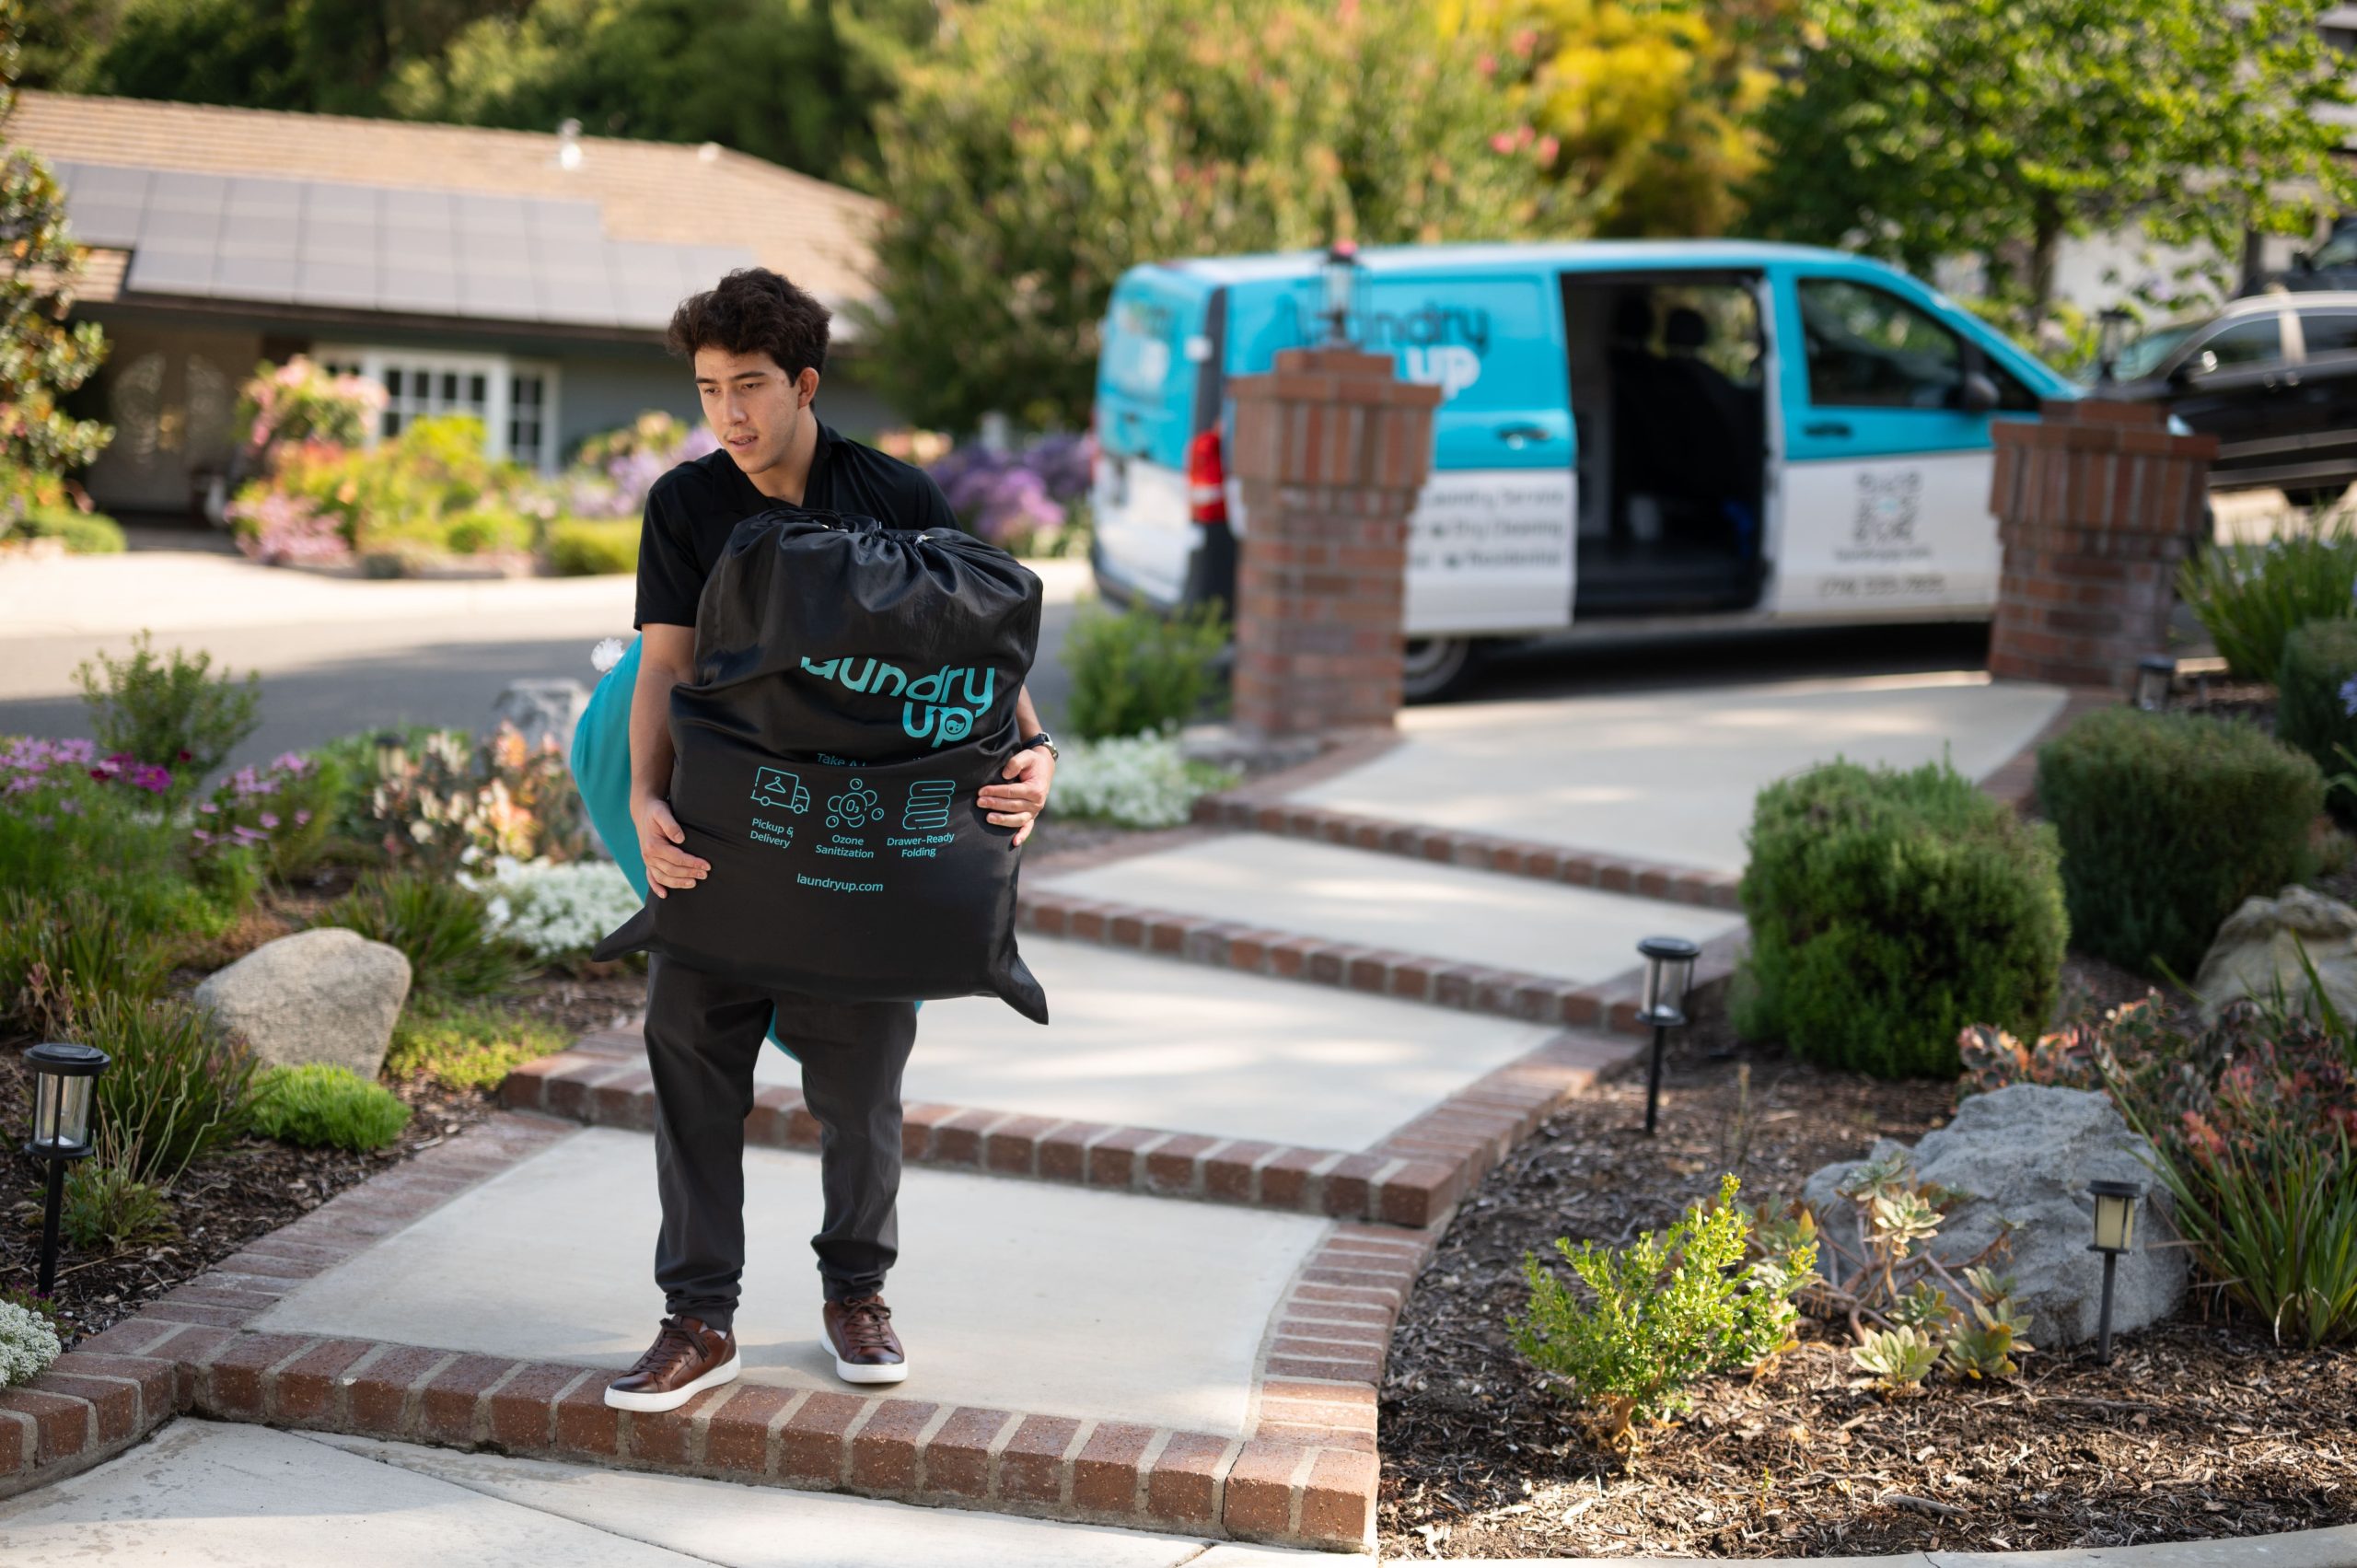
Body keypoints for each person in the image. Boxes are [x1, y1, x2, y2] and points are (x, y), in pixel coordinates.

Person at [603, 267, 1061, 1413]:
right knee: (690, 1060)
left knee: (859, 1088)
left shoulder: (893, 494)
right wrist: (646, 808)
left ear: (804, 383)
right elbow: (662, 667)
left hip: (860, 857)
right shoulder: (686, 505)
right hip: (724, 839)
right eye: (708, 390)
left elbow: (975, 655)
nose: (729, 415)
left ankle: (856, 1290)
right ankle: (698, 1317)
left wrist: (1038, 751)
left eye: (749, 386)